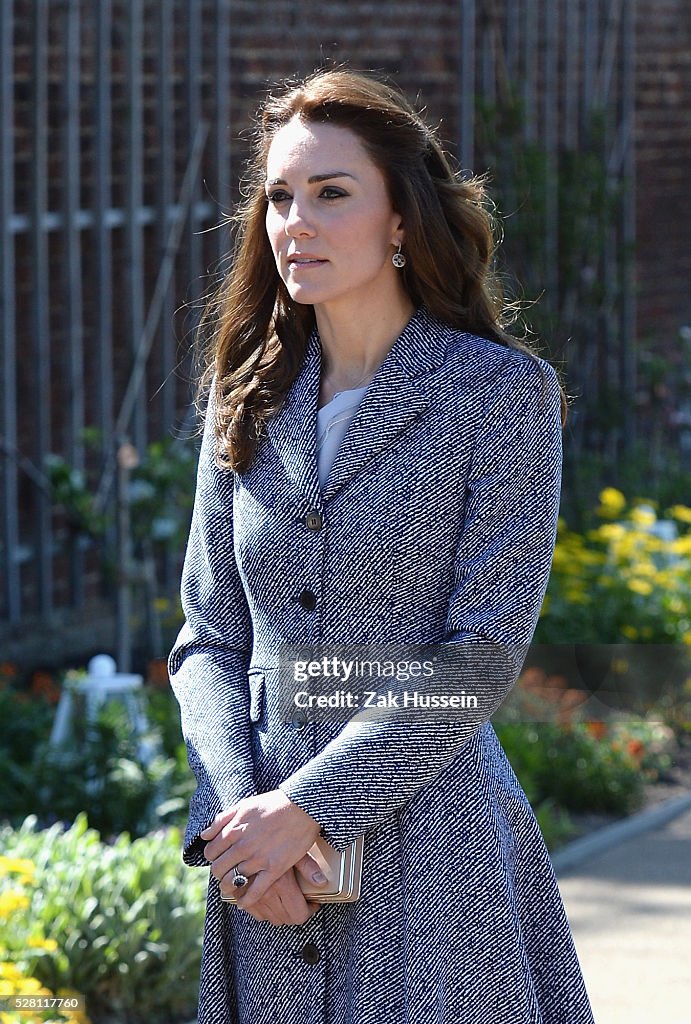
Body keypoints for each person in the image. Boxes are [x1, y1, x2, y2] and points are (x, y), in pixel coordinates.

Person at [169, 67, 595, 1024]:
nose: (294, 222)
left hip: (436, 859)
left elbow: (481, 654)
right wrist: (235, 826)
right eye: (279, 197)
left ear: (400, 218)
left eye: (330, 194)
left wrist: (307, 811)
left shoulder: (498, 396)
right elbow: (208, 638)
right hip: (264, 876)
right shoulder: (246, 398)